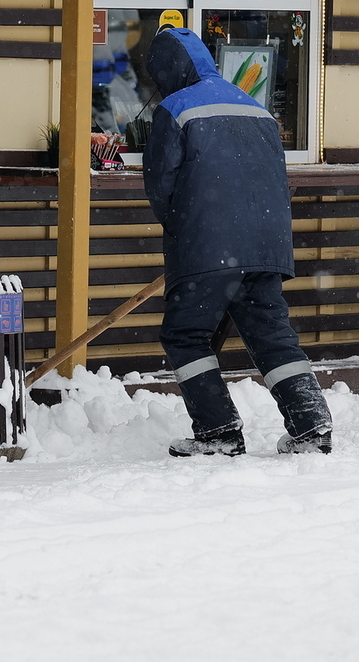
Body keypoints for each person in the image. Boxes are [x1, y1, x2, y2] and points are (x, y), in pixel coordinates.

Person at [142, 26, 333, 455]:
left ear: (167, 71)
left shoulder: (175, 107)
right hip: (267, 243)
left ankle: (218, 432)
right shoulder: (256, 107)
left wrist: (181, 228)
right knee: (271, 332)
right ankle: (311, 425)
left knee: (185, 334)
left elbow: (160, 182)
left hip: (207, 245)